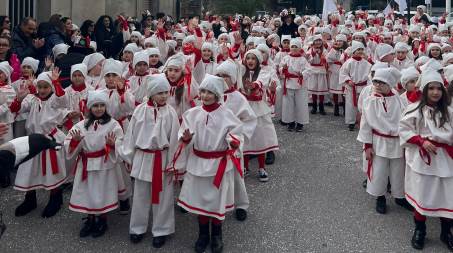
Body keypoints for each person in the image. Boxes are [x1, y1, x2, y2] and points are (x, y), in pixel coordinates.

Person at [176, 74, 243, 253]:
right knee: (200, 200)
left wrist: (233, 141)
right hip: (198, 163)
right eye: (203, 91)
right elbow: (183, 133)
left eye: (210, 92)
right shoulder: (192, 113)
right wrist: (185, 138)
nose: (205, 95)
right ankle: (203, 233)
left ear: (218, 94)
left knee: (216, 200)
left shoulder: (226, 114)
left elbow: (236, 132)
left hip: (218, 165)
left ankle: (217, 234)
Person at [119, 74, 179, 248]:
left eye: (165, 92)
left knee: (163, 196)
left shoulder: (170, 112)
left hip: (162, 157)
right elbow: (131, 135)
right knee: (140, 194)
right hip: (143, 157)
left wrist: (173, 163)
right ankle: (137, 228)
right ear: (151, 93)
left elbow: (174, 138)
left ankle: (161, 229)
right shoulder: (140, 110)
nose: (163, 96)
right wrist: (128, 156)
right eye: (159, 92)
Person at [399, 71, 453, 251]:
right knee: (422, 194)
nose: (435, 92)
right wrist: (420, 141)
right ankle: (420, 230)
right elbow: (404, 129)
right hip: (424, 160)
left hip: (446, 160)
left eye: (438, 88)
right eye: (431, 88)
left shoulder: (449, 112)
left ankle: (446, 232)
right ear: (424, 90)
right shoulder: (415, 109)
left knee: (447, 196)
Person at [64, 90, 124, 238]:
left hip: (104, 165)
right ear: (90, 107)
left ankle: (102, 220)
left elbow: (121, 142)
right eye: (95, 105)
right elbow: (68, 142)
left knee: (102, 191)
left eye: (101, 105)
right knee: (88, 191)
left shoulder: (113, 124)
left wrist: (113, 144)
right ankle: (90, 219)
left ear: (106, 107)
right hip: (86, 164)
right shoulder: (82, 125)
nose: (98, 108)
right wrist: (75, 141)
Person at [10, 69, 68, 218]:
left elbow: (62, 99)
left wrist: (56, 82)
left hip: (49, 140)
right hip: (33, 140)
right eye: (40, 86)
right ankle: (30, 200)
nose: (42, 90)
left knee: (51, 171)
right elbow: (15, 109)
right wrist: (19, 98)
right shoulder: (32, 99)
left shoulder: (54, 100)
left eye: (45, 87)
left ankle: (55, 199)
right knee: (29, 170)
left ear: (51, 87)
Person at [357, 67, 414, 214]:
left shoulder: (399, 100)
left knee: (398, 170)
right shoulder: (370, 101)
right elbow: (365, 124)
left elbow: (407, 121)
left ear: (390, 84)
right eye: (375, 82)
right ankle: (380, 197)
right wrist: (367, 145)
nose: (377, 85)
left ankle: (400, 197)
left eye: (381, 83)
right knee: (379, 170)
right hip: (378, 142)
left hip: (397, 142)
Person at [215, 59, 257, 221]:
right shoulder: (212, 94)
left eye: (225, 76)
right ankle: (218, 204)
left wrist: (237, 139)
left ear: (232, 78)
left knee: (236, 176)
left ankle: (241, 204)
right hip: (215, 144)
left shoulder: (238, 97)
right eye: (218, 75)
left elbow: (249, 119)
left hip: (232, 144)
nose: (221, 78)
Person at [339, 41, 372, 131]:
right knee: (350, 105)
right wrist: (348, 80)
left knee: (363, 105)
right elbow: (343, 73)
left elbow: (370, 76)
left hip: (363, 87)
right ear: (353, 51)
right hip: (351, 87)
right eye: (358, 49)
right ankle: (351, 122)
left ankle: (363, 121)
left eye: (362, 49)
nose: (360, 51)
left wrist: (369, 85)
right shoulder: (348, 62)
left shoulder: (367, 63)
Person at [280, 38, 308, 131]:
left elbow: (308, 70)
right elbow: (281, 68)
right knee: (288, 104)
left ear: (299, 48)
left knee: (301, 103)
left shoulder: (303, 59)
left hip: (300, 84)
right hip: (289, 82)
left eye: (296, 47)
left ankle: (300, 122)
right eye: (292, 46)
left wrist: (302, 74)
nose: (294, 48)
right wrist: (283, 69)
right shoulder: (286, 58)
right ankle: (290, 121)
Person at [11, 57, 39, 138]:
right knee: (19, 138)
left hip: (33, 115)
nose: (26, 69)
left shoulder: (37, 82)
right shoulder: (15, 83)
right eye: (24, 67)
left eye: (29, 67)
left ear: (33, 69)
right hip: (20, 116)